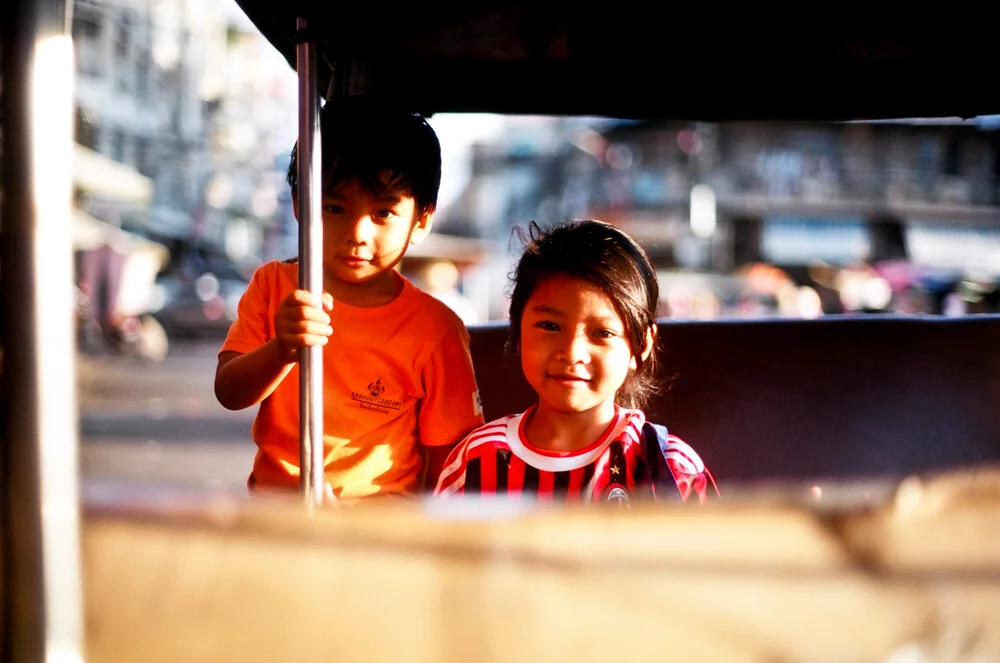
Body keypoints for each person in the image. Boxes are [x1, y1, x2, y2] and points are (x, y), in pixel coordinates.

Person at [215, 97, 484, 501]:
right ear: (299, 205)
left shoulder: (436, 329)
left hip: (379, 535)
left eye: (383, 214)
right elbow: (229, 391)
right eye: (334, 207)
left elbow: (451, 463)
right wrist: (281, 349)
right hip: (278, 516)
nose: (357, 232)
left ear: (422, 220)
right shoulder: (274, 285)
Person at [435, 219, 717, 504]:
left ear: (641, 345)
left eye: (602, 333)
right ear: (517, 329)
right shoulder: (475, 460)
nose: (571, 352)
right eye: (550, 326)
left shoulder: (671, 469)